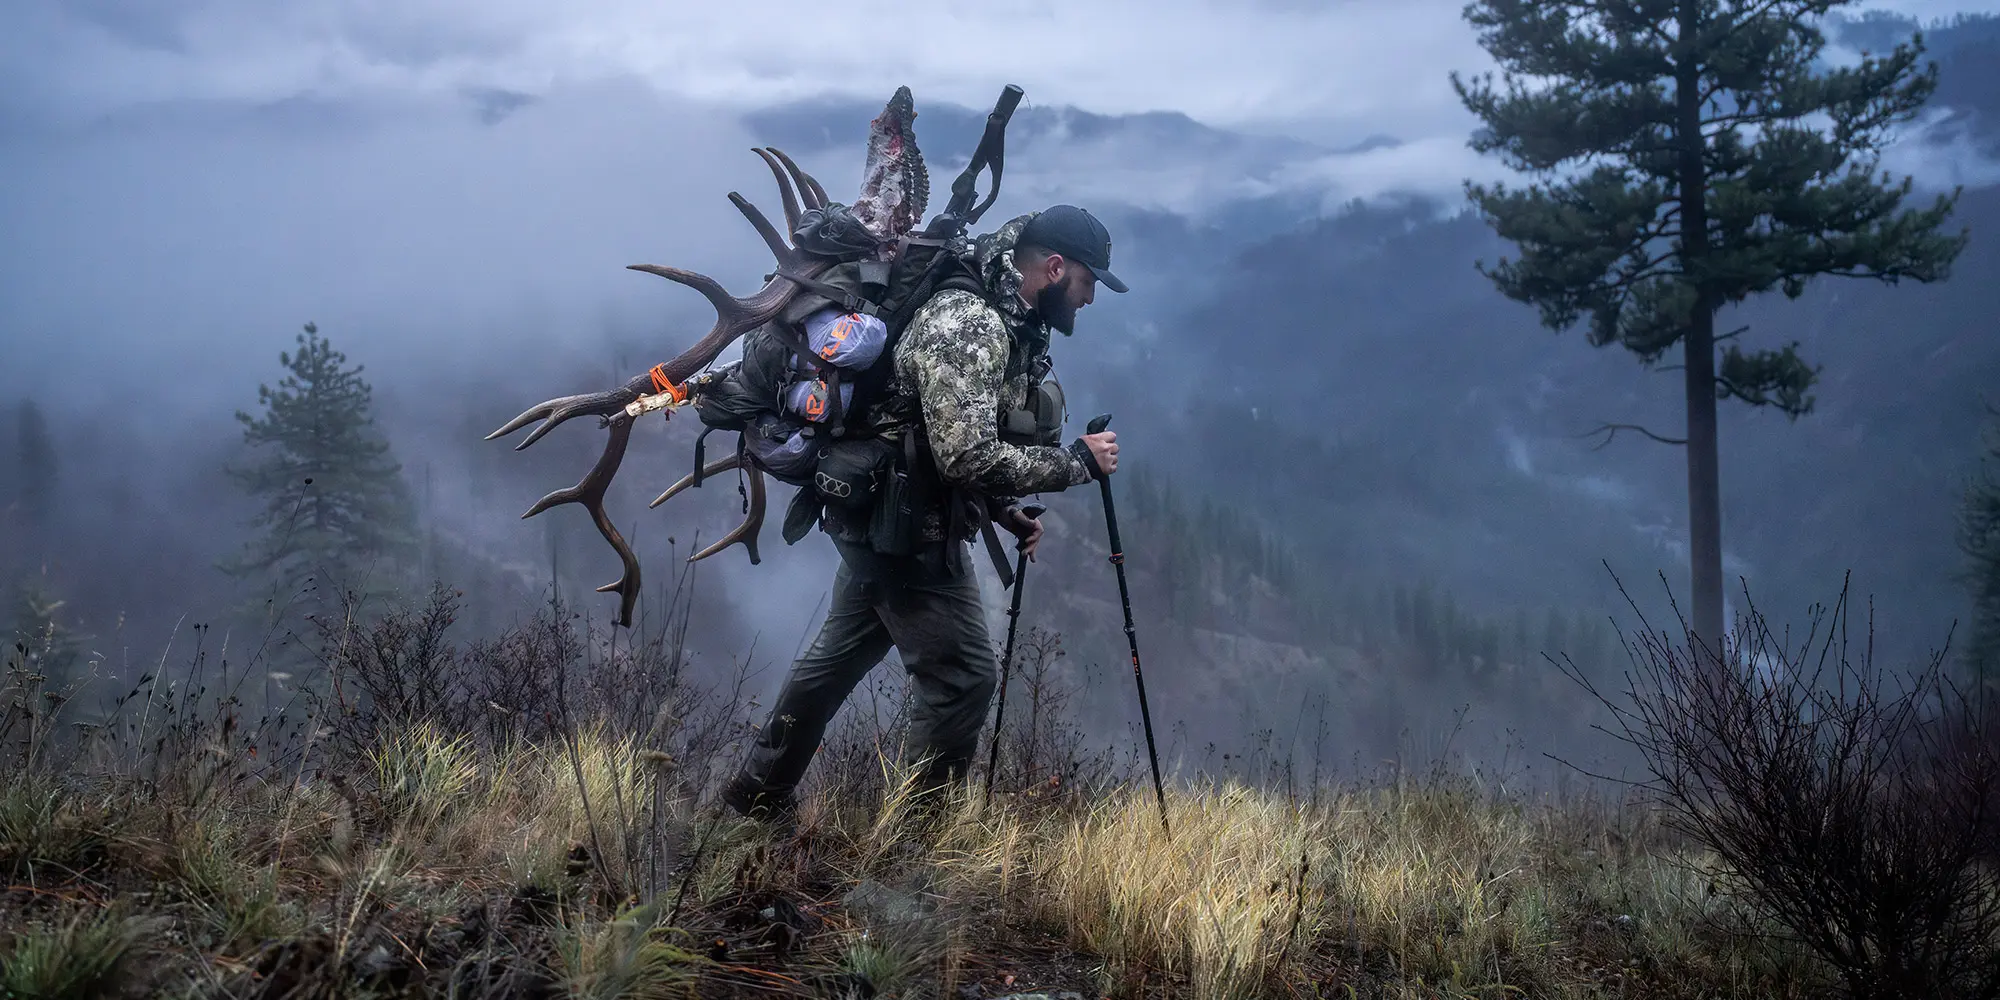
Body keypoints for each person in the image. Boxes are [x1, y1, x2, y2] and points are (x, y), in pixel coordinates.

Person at [722, 205, 1127, 820]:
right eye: (1087, 281)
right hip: (902, 527)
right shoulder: (970, 325)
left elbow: (926, 431)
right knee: (963, 678)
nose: (1090, 298)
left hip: (881, 512)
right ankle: (912, 849)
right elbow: (963, 454)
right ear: (1052, 267)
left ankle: (754, 797)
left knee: (836, 658)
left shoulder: (998, 311)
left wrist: (1000, 512)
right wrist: (1077, 464)